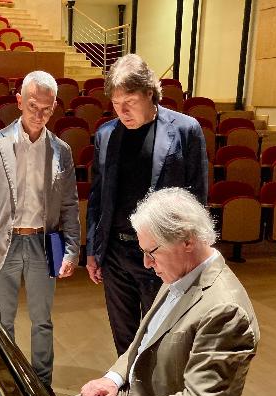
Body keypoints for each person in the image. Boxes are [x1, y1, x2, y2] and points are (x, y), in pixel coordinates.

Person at [59, 187, 259, 396]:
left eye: (152, 252)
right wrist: (111, 378)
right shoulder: (181, 274)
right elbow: (143, 343)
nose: (146, 263)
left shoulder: (225, 310)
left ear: (187, 241)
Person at [86, 54, 208, 356]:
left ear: (150, 94)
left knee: (163, 338)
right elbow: (98, 198)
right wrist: (93, 250)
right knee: (124, 339)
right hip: (115, 253)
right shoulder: (105, 135)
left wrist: (194, 256)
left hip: (163, 253)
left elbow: (198, 199)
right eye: (115, 103)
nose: (122, 111)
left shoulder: (186, 130)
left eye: (130, 101)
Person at [0, 71, 80, 396]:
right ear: (19, 101)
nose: (39, 114)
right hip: (4, 241)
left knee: (42, 322)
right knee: (2, 321)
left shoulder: (62, 150)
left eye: (46, 109)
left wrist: (71, 250)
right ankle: (9, 383)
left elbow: (71, 205)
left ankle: (43, 388)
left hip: (46, 243)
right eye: (32, 106)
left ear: (55, 107)